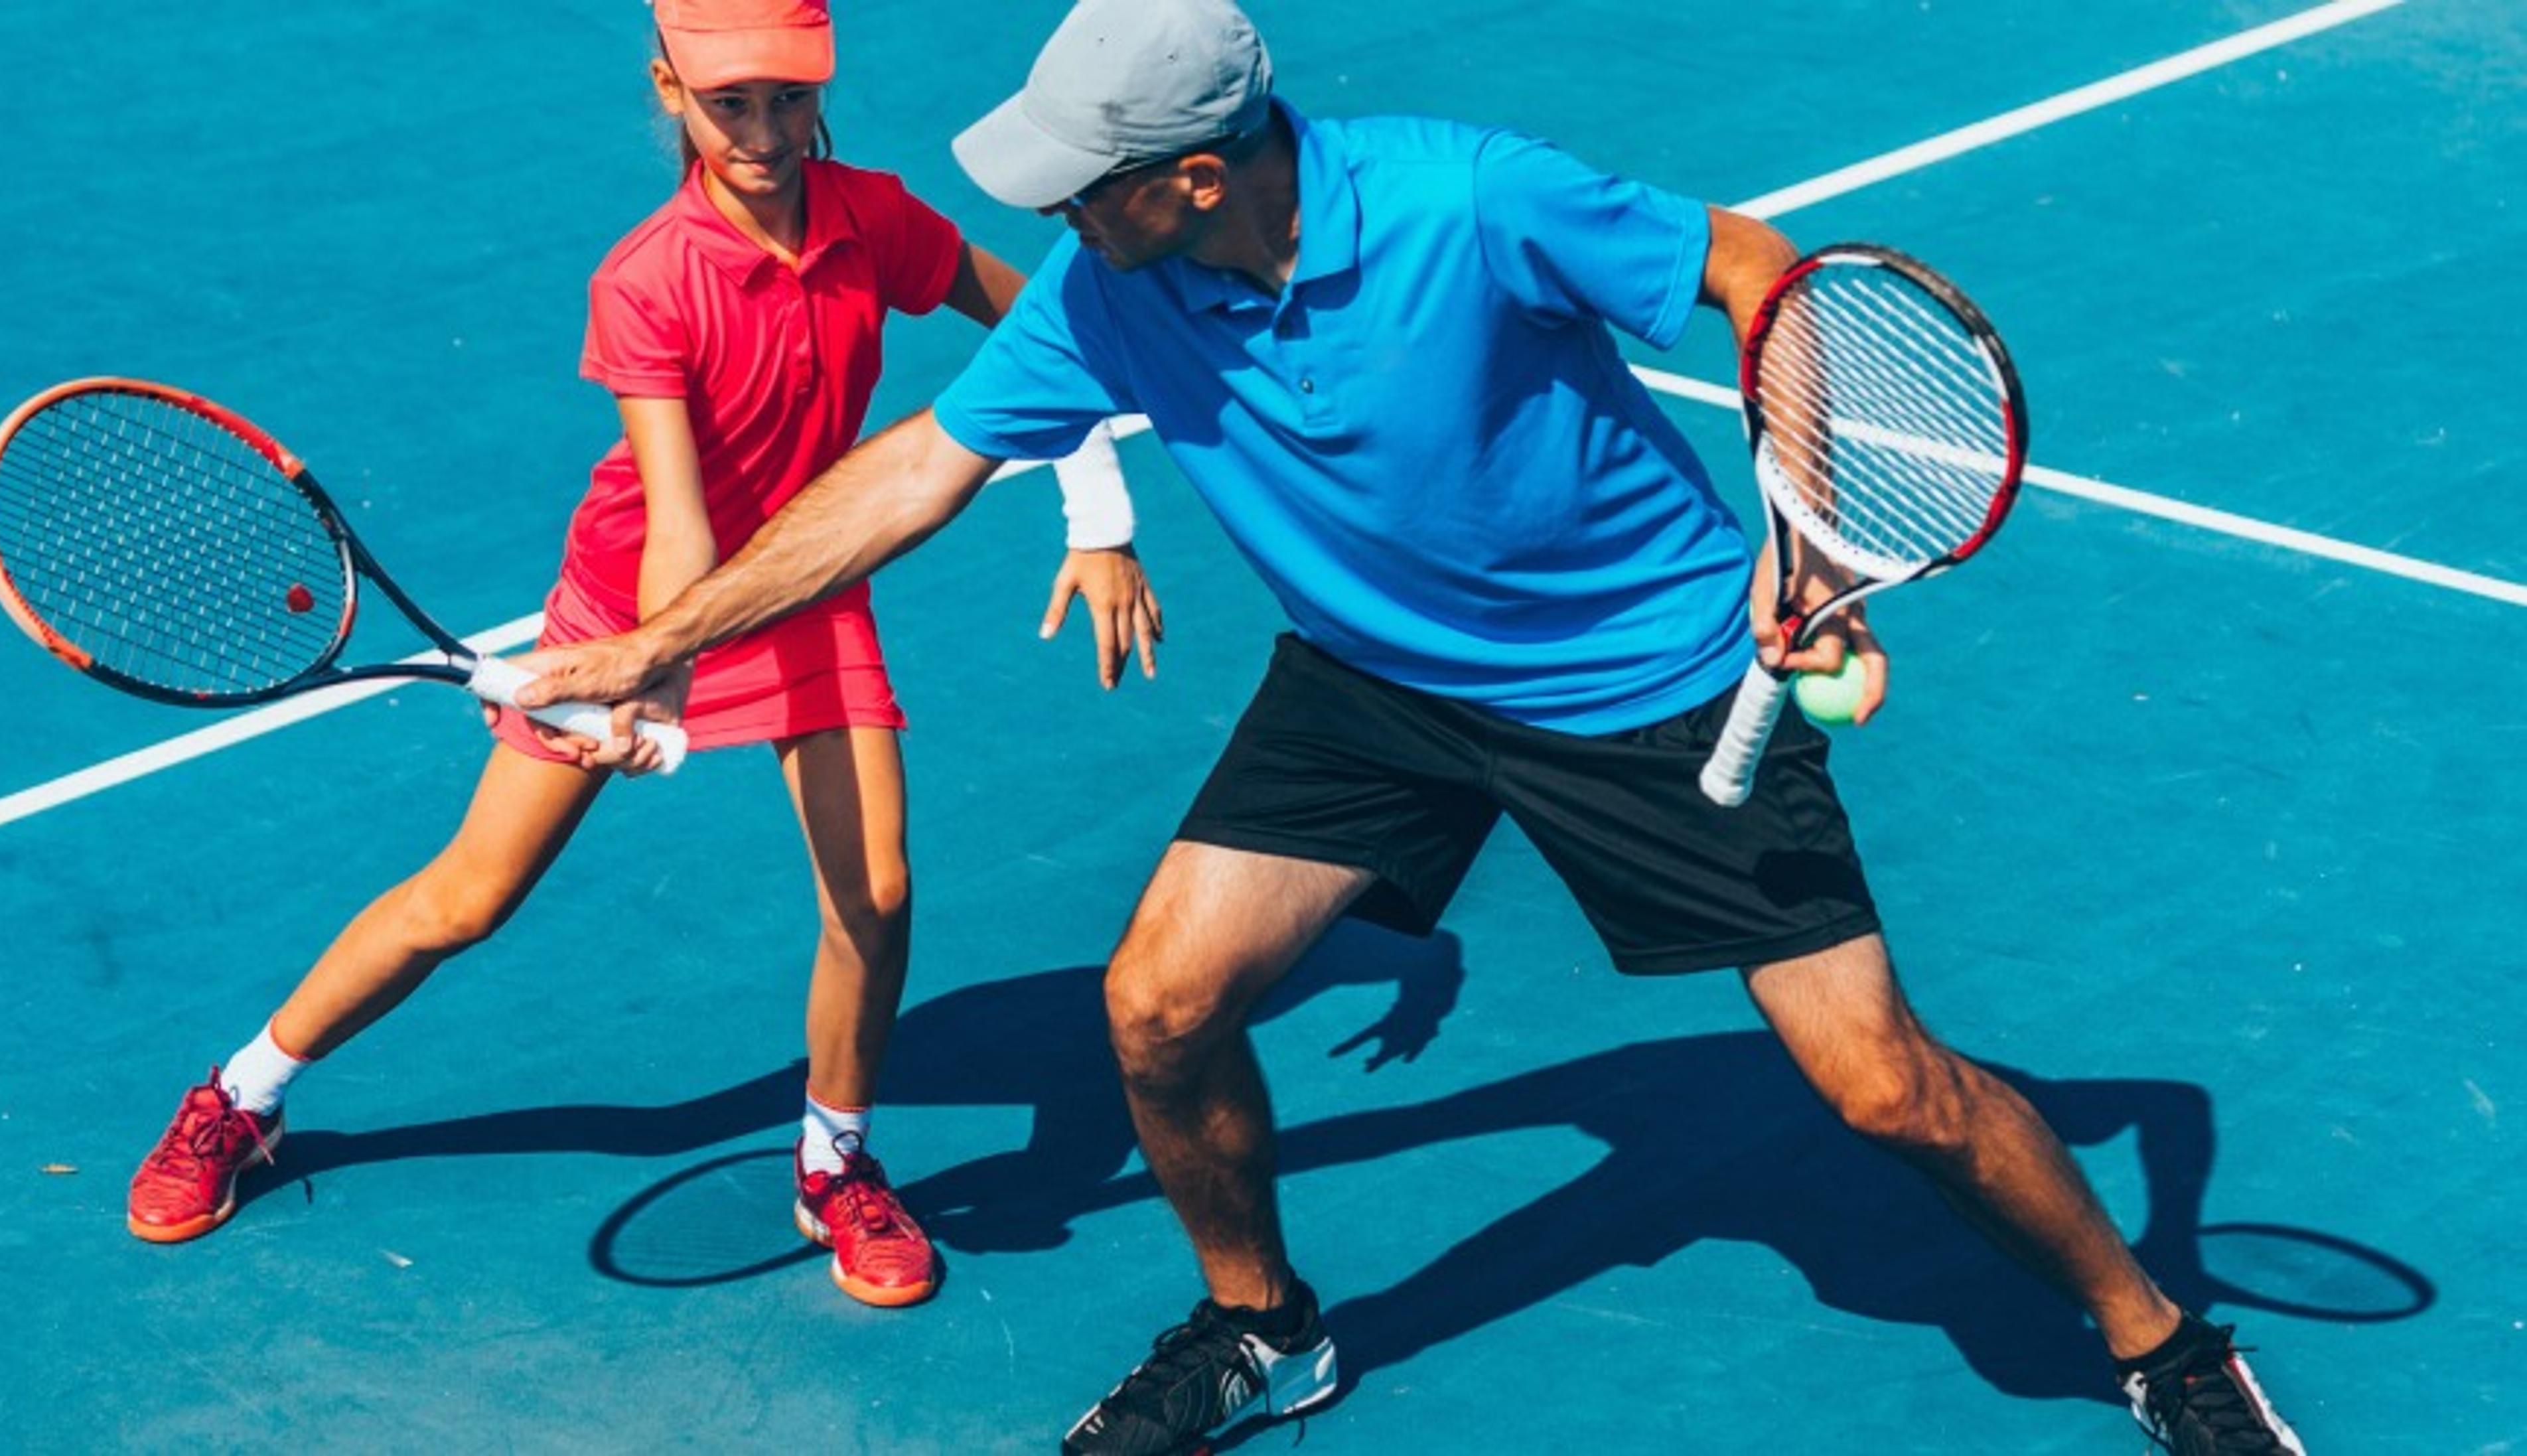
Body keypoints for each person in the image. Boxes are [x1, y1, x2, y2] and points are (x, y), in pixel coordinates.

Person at [513, 0, 2306, 1449]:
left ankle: (2163, 1340)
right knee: (1158, 1002)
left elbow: (1759, 266)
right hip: (1375, 682)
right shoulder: (1112, 290)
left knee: (1884, 1088)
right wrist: (660, 638)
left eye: (1087, 187)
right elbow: (917, 467)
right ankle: (1261, 1327)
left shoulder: (1468, 200)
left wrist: (1812, 530)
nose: (1058, 219)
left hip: (1649, 679)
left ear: (1199, 175)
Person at [121, 0, 1165, 1314]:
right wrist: (654, 666)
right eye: (731, 104)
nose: (767, 132)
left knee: (878, 894)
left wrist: (1098, 514)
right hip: (634, 601)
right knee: (469, 898)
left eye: (791, 99)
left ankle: (835, 1160)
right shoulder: (648, 279)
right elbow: (678, 516)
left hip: (809, 582)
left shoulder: (874, 217)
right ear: (670, 90)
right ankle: (243, 1093)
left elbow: (1050, 330)